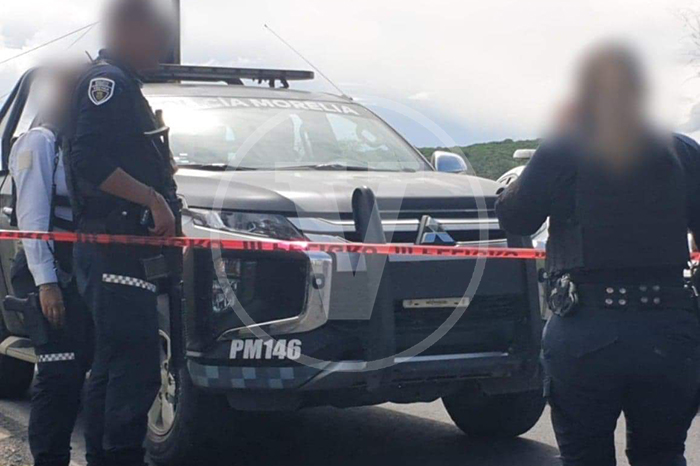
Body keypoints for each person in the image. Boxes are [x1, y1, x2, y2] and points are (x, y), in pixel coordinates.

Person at [496, 44, 700, 466]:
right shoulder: (683, 152)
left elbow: (516, 218)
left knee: (584, 457)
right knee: (663, 455)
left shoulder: (564, 149)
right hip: (669, 330)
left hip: (587, 329)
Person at [63, 1, 178, 465]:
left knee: (114, 364)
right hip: (115, 246)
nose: (161, 48)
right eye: (155, 36)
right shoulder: (108, 83)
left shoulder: (124, 83)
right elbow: (88, 159)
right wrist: (152, 198)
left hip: (121, 248)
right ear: (129, 31)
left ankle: (104, 457)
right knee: (133, 367)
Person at [8, 67, 92, 466]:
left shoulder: (81, 143)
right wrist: (47, 283)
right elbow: (32, 219)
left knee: (81, 374)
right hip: (48, 271)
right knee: (58, 375)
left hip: (84, 269)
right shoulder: (40, 142)